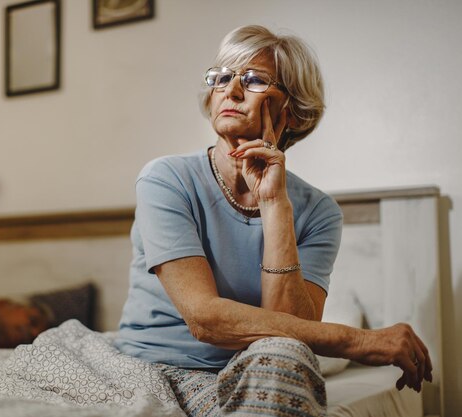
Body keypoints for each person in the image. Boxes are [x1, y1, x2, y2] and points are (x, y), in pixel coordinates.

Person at [114, 24, 432, 416]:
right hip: (152, 369)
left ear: (293, 111)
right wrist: (357, 341)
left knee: (285, 357)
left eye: (253, 80)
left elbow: (292, 333)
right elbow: (205, 319)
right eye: (222, 77)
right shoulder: (165, 179)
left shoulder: (318, 211)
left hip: (249, 369)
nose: (230, 91)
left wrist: (275, 205)